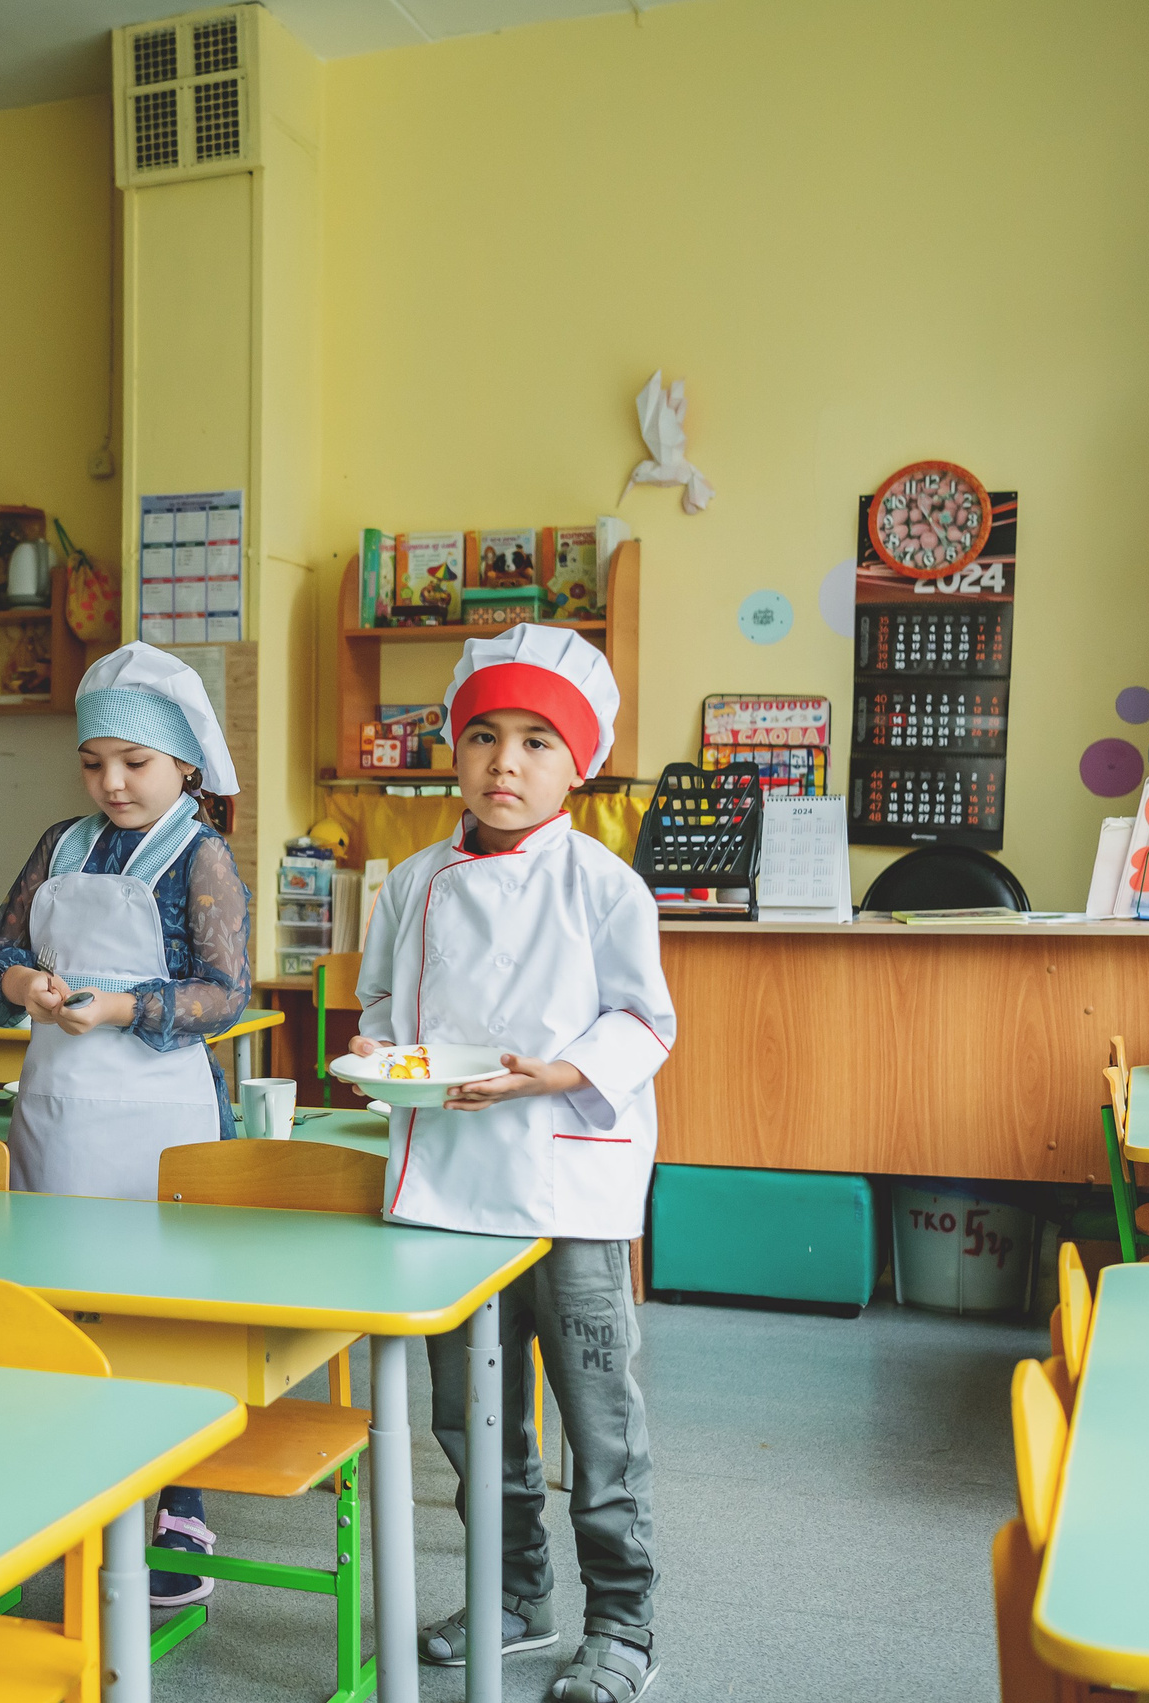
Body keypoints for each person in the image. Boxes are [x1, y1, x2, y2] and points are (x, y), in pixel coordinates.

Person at [350, 623, 676, 1703]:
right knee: (469, 1414)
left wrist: (555, 1074)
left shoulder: (605, 884)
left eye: (538, 740)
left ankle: (623, 1625)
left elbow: (643, 1022)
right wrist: (388, 1060)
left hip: (571, 1180)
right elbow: (384, 1009)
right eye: (484, 735)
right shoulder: (409, 881)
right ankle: (512, 1589)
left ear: (576, 762)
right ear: (452, 747)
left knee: (599, 1419)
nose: (506, 762)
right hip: (448, 1180)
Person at [0, 639, 251, 1607]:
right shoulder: (61, 844)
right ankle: (65, 1478)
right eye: (94, 762)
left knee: (158, 1310)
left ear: (184, 764)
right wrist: (21, 981)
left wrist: (124, 1007)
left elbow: (225, 994)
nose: (112, 782)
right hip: (55, 1109)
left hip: (158, 1121)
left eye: (134, 762)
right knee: (54, 1300)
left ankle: (179, 1500)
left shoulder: (200, 854)